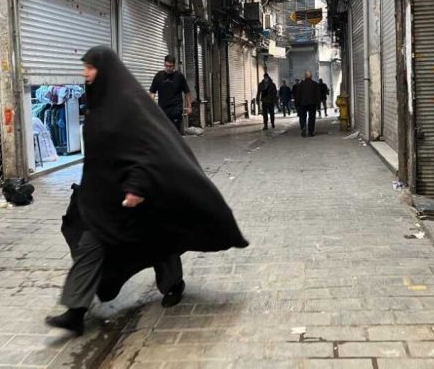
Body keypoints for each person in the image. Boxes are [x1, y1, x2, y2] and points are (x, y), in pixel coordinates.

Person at [45, 46, 248, 336]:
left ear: (105, 70)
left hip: (138, 198)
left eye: (89, 67)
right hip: (106, 200)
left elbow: (150, 148)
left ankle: (173, 284)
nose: (84, 72)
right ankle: (75, 312)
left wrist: (137, 186)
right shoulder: (99, 103)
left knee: (158, 243)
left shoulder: (128, 106)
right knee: (90, 245)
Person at [149, 54, 192, 134]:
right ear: (164, 64)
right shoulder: (159, 76)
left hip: (176, 110)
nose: (168, 68)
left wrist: (189, 106)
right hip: (163, 110)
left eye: (170, 66)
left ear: (174, 65)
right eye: (167, 66)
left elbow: (187, 92)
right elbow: (152, 92)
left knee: (175, 134)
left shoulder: (179, 76)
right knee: (164, 134)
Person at [294, 71, 320, 137]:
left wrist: (297, 104)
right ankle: (310, 132)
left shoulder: (300, 85)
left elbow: (297, 95)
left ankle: (303, 127)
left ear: (305, 76)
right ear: (311, 76)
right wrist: (318, 105)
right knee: (311, 117)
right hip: (312, 103)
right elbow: (317, 96)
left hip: (303, 103)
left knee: (302, 117)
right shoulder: (315, 84)